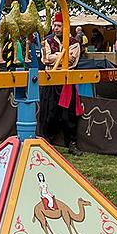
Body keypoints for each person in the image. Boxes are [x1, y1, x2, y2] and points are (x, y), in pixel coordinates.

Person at [39, 13, 83, 155]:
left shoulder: (74, 42)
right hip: (51, 80)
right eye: (55, 25)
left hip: (66, 82)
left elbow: (72, 60)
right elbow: (45, 59)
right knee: (49, 112)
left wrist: (56, 56)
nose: (56, 28)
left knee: (68, 115)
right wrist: (63, 55)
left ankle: (72, 143)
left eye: (59, 26)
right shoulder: (47, 41)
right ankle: (46, 142)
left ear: (65, 26)